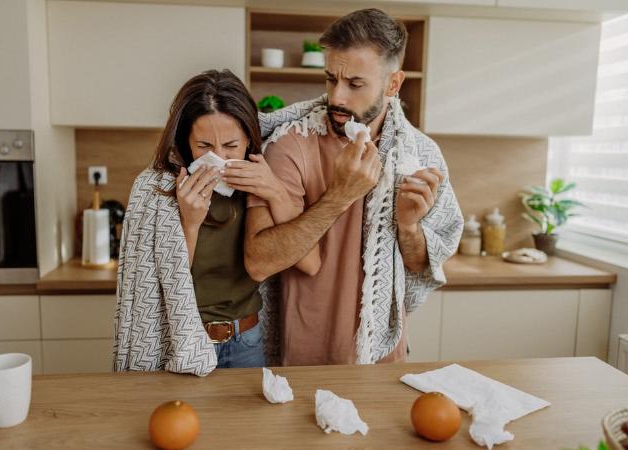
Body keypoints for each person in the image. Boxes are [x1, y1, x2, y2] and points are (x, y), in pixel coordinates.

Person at [238, 9, 464, 366]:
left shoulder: (421, 156)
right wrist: (340, 195)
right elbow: (259, 262)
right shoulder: (290, 145)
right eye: (331, 79)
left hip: (385, 356)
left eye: (355, 84)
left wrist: (408, 227)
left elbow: (422, 265)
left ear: (393, 84)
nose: (337, 97)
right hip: (306, 355)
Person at [113, 69, 313, 375]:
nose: (218, 158)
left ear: (249, 136)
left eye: (231, 146)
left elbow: (308, 260)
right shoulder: (158, 189)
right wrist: (189, 222)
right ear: (186, 143)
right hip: (182, 342)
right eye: (205, 146)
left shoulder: (263, 180)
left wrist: (274, 191)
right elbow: (163, 283)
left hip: (247, 340)